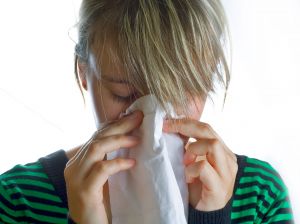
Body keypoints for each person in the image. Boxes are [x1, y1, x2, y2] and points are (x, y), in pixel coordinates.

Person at [0, 0, 294, 223]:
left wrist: (212, 216)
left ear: (207, 80)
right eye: (124, 94)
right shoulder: (16, 200)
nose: (152, 122)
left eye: (178, 95)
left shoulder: (258, 197)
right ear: (83, 73)